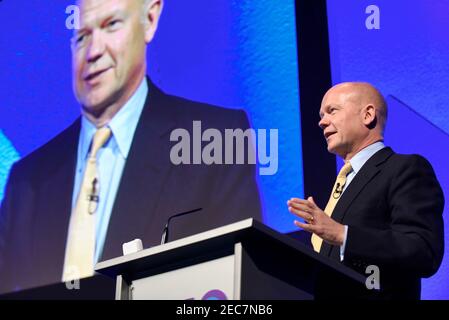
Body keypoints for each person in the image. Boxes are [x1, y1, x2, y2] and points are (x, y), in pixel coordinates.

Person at [0, 0, 261, 293]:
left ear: (150, 19)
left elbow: (240, 282)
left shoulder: (215, 139)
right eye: (82, 36)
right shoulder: (27, 180)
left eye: (111, 25)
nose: (93, 51)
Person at [287, 82, 444, 299]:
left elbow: (423, 250)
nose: (322, 122)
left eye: (332, 111)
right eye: (322, 115)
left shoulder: (405, 168)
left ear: (368, 115)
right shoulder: (340, 184)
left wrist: (342, 235)